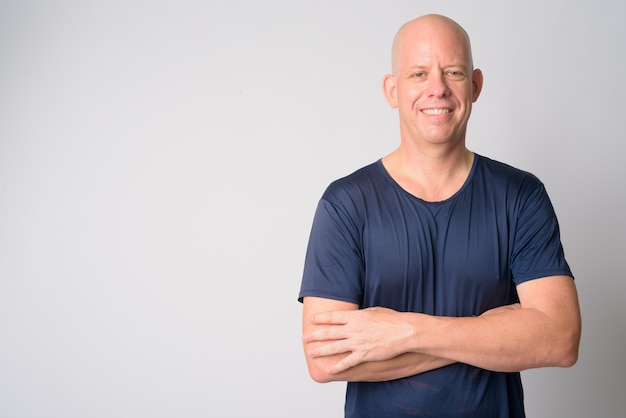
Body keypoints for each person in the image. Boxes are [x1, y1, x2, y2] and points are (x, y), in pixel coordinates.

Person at [298, 13, 581, 418]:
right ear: (392, 90)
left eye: (453, 72)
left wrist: (403, 333)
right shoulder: (345, 204)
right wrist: (492, 332)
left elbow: (560, 340)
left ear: (476, 85)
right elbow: (325, 360)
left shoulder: (521, 196)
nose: (437, 89)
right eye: (418, 74)